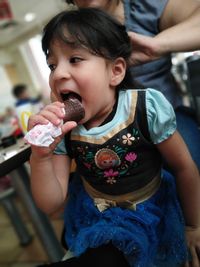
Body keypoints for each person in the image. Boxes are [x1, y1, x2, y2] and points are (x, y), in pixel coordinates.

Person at [27, 8, 200, 267]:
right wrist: (41, 157)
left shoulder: (145, 108)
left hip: (148, 209)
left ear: (115, 71)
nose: (58, 74)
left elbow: (184, 167)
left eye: (74, 59)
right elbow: (51, 204)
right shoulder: (65, 129)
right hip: (96, 212)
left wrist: (194, 226)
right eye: (52, 65)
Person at [65, 0, 200, 169]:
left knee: (190, 160)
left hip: (168, 113)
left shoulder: (148, 7)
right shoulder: (68, 31)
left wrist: (156, 45)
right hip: (103, 125)